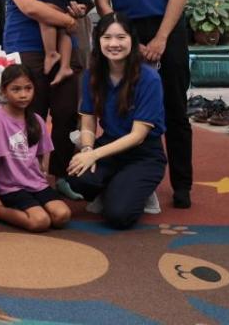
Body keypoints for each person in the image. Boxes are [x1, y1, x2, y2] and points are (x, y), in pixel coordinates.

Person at [94, 0, 192, 210]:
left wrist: (162, 39)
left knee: (175, 108)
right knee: (127, 109)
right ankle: (135, 178)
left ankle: (182, 184)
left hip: (168, 28)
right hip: (125, 32)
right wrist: (126, 41)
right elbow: (103, 2)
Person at [0, 0, 85, 200]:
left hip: (64, 44)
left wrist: (79, 8)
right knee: (31, 116)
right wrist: (70, 23)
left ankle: (60, 176)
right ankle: (27, 178)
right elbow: (31, 8)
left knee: (67, 112)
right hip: (26, 46)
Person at [67, 13, 169, 229]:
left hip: (144, 154)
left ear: (132, 40)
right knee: (77, 176)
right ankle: (117, 186)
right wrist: (86, 149)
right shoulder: (92, 74)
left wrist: (94, 155)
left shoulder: (148, 78)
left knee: (118, 216)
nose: (114, 44)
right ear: (98, 40)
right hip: (109, 146)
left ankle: (139, 190)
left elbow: (137, 136)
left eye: (121, 37)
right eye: (107, 37)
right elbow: (88, 122)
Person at [0, 65, 71, 232]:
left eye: (28, 88)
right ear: (3, 91)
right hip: (10, 187)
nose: (23, 94)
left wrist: (43, 176)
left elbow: (42, 155)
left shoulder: (37, 120)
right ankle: (1, 212)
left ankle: (35, 205)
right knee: (40, 222)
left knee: (62, 215)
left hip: (36, 184)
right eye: (16, 89)